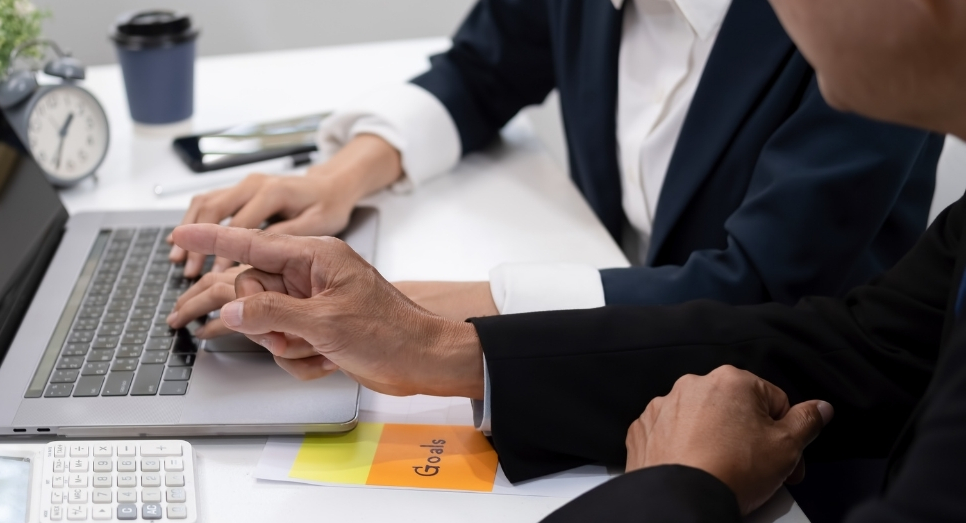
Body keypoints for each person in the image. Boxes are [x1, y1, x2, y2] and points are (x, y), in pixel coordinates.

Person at [166, 0, 966, 523]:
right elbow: (872, 340)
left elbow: (772, 290)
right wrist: (442, 341)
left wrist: (674, 489)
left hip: (814, 469)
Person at [165, 0, 943, 332]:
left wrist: (397, 308)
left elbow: (757, 289)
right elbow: (483, 68)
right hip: (627, 321)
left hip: (802, 414)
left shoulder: (854, 31)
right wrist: (336, 181)